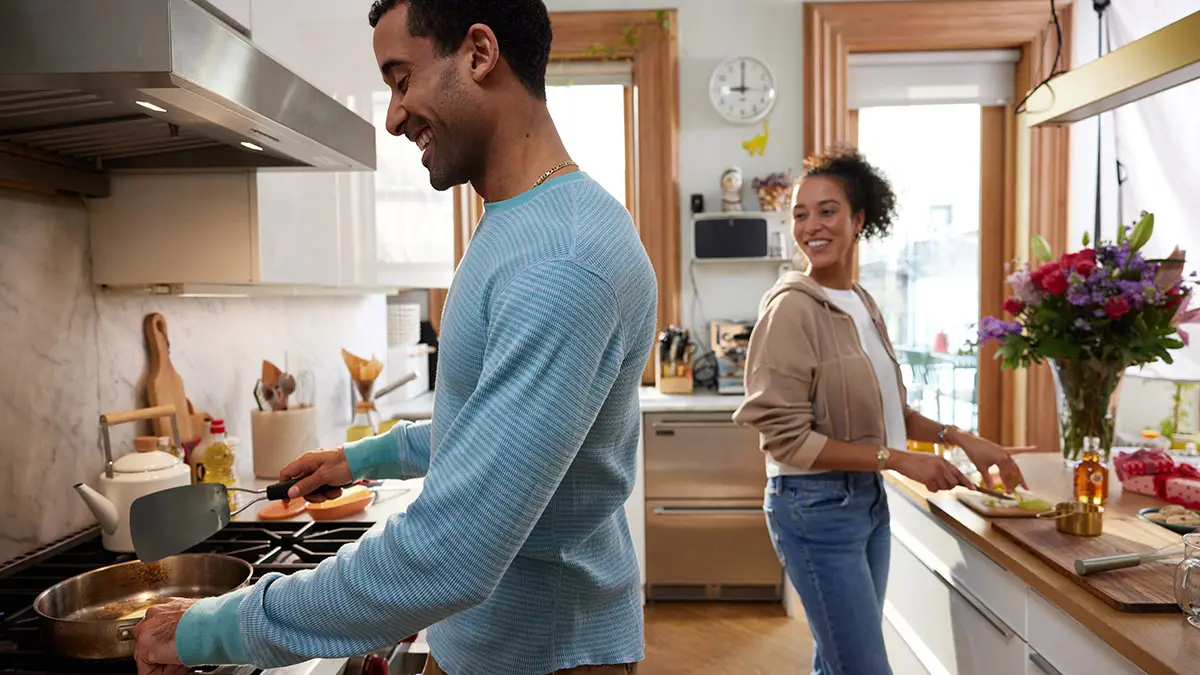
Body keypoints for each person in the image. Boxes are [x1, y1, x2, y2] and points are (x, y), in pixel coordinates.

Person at [132, 1, 656, 674]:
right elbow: (496, 432)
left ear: (478, 52)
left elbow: (452, 550)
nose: (392, 115)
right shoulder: (522, 225)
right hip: (497, 644)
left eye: (400, 78)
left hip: (542, 653)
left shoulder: (562, 262)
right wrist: (361, 457)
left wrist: (215, 626)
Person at [731, 147, 1033, 675]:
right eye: (801, 214)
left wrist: (960, 436)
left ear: (859, 220)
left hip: (865, 504)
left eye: (827, 211)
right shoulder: (791, 307)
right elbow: (785, 439)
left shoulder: (863, 304)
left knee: (839, 661)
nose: (811, 225)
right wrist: (896, 459)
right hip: (813, 509)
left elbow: (890, 410)